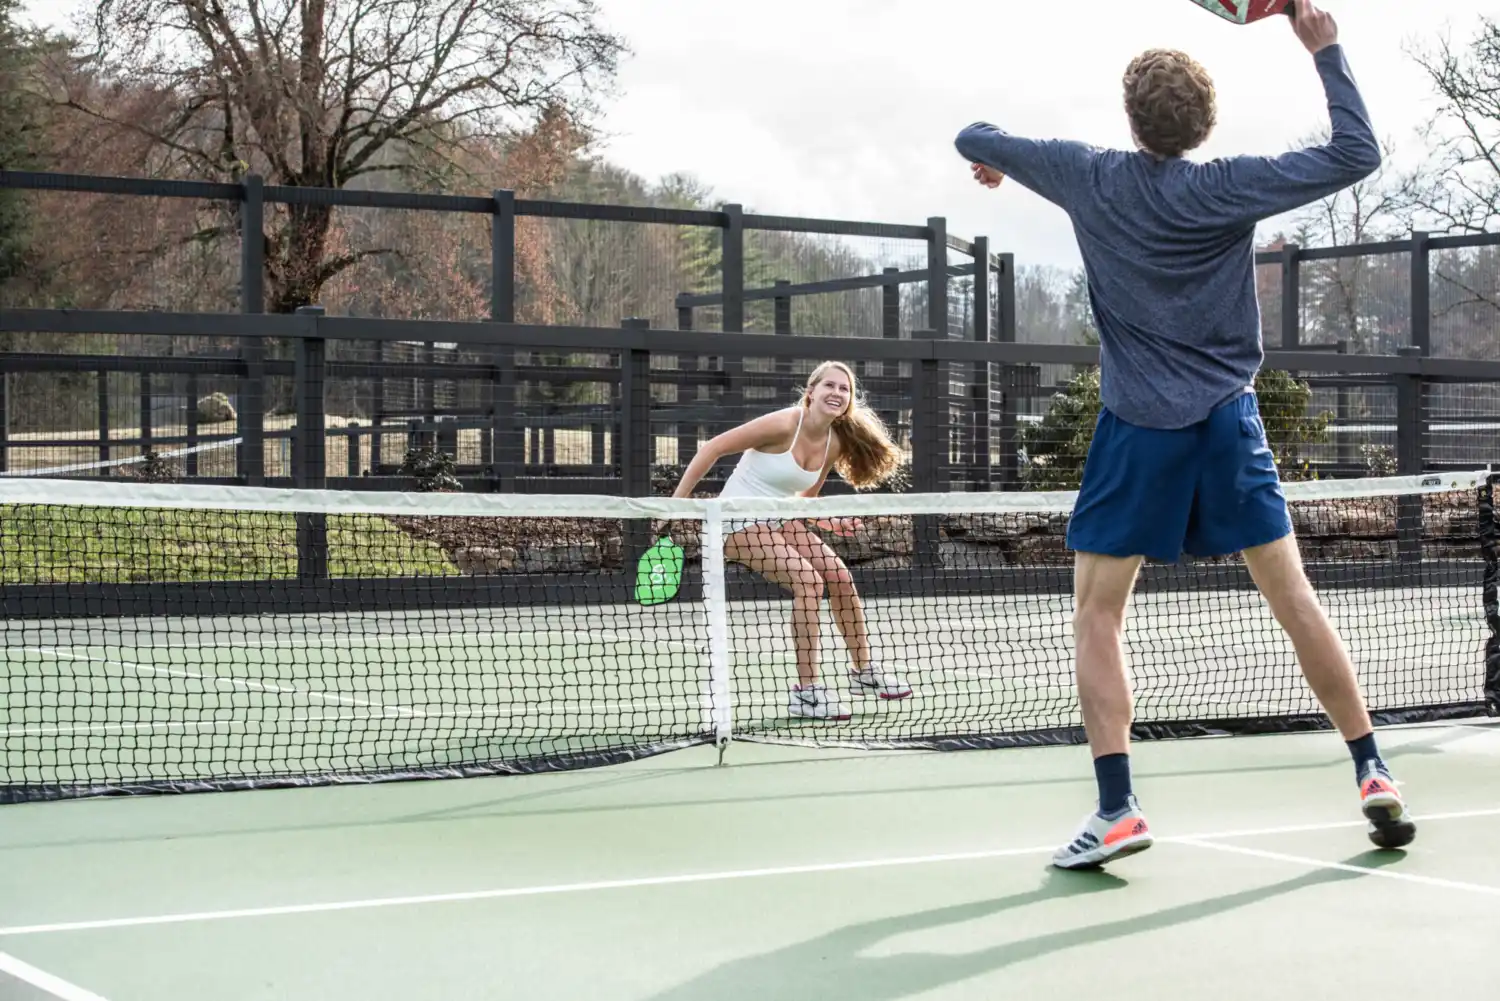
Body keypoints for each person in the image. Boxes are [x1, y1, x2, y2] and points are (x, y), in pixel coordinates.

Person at [954, 0, 1414, 868]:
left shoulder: (1085, 173)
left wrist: (990, 161)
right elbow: (1358, 151)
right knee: (1294, 600)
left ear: (1133, 119)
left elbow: (970, 130)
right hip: (1228, 424)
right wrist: (1324, 47)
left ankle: (1119, 806)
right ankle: (1373, 768)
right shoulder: (1226, 183)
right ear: (1203, 126)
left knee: (1097, 612)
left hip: (1138, 430)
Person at [672, 361, 913, 720]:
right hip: (735, 522)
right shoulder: (784, 423)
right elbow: (713, 448)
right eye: (829, 385)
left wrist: (829, 523)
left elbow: (803, 502)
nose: (837, 393)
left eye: (844, 389)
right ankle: (807, 692)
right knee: (808, 581)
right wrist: (677, 503)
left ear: (849, 401)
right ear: (811, 391)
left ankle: (863, 672)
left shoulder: (834, 442)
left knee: (840, 577)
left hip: (779, 520)